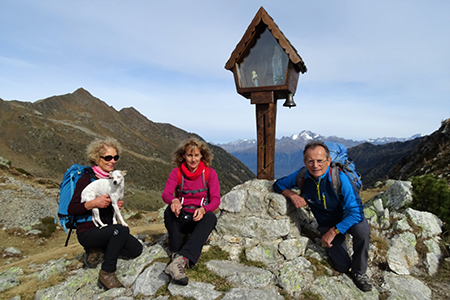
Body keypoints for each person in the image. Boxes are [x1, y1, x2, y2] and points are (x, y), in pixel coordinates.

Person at [272, 141, 372, 292]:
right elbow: (278, 184)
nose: (315, 165)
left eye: (320, 161)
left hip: (346, 217)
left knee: (362, 231)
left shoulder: (340, 178)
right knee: (342, 267)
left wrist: (334, 231)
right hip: (326, 221)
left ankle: (359, 272)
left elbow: (356, 211)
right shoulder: (301, 176)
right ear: (305, 162)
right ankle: (342, 249)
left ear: (329, 160)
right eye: (310, 161)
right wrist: (292, 194)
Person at [68, 137, 143, 290]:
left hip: (107, 230)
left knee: (136, 249)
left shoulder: (113, 180)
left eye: (116, 157)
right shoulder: (86, 179)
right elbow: (72, 208)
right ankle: (107, 272)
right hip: (88, 231)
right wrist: (93, 203)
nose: (112, 161)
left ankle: (100, 250)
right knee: (122, 229)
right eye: (108, 157)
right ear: (96, 158)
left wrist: (113, 207)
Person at [162, 138, 220, 285]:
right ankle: (178, 254)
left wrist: (204, 209)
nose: (193, 159)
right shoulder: (176, 173)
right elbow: (166, 194)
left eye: (196, 155)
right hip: (180, 216)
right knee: (169, 211)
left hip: (197, 218)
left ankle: (178, 260)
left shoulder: (209, 174)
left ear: (202, 156)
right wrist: (174, 200)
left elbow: (215, 200)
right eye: (189, 155)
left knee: (210, 217)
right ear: (183, 156)